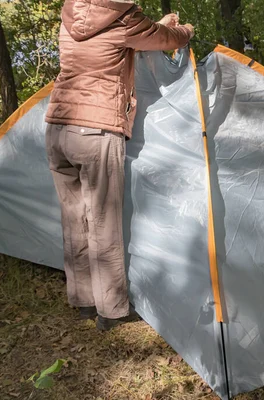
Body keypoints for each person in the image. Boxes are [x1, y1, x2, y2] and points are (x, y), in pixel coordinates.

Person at [45, 0, 194, 331]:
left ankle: (83, 301)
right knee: (103, 223)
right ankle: (111, 311)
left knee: (74, 218)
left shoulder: (71, 13)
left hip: (57, 126)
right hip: (95, 130)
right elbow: (164, 39)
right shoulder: (124, 17)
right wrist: (184, 31)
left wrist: (159, 23)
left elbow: (123, 37)